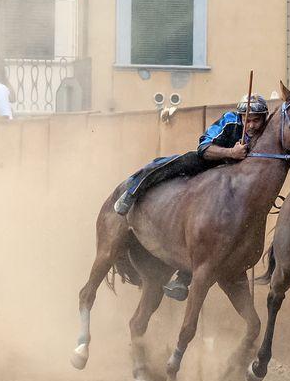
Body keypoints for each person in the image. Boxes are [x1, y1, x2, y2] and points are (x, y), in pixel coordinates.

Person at [113, 95, 273, 300]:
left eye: (256, 120)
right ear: (240, 116)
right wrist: (231, 152)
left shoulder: (267, 132)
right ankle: (131, 193)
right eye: (247, 119)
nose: (251, 125)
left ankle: (183, 278)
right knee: (171, 162)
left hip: (232, 186)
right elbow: (204, 147)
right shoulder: (230, 120)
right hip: (211, 164)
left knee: (207, 237)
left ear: (264, 118)